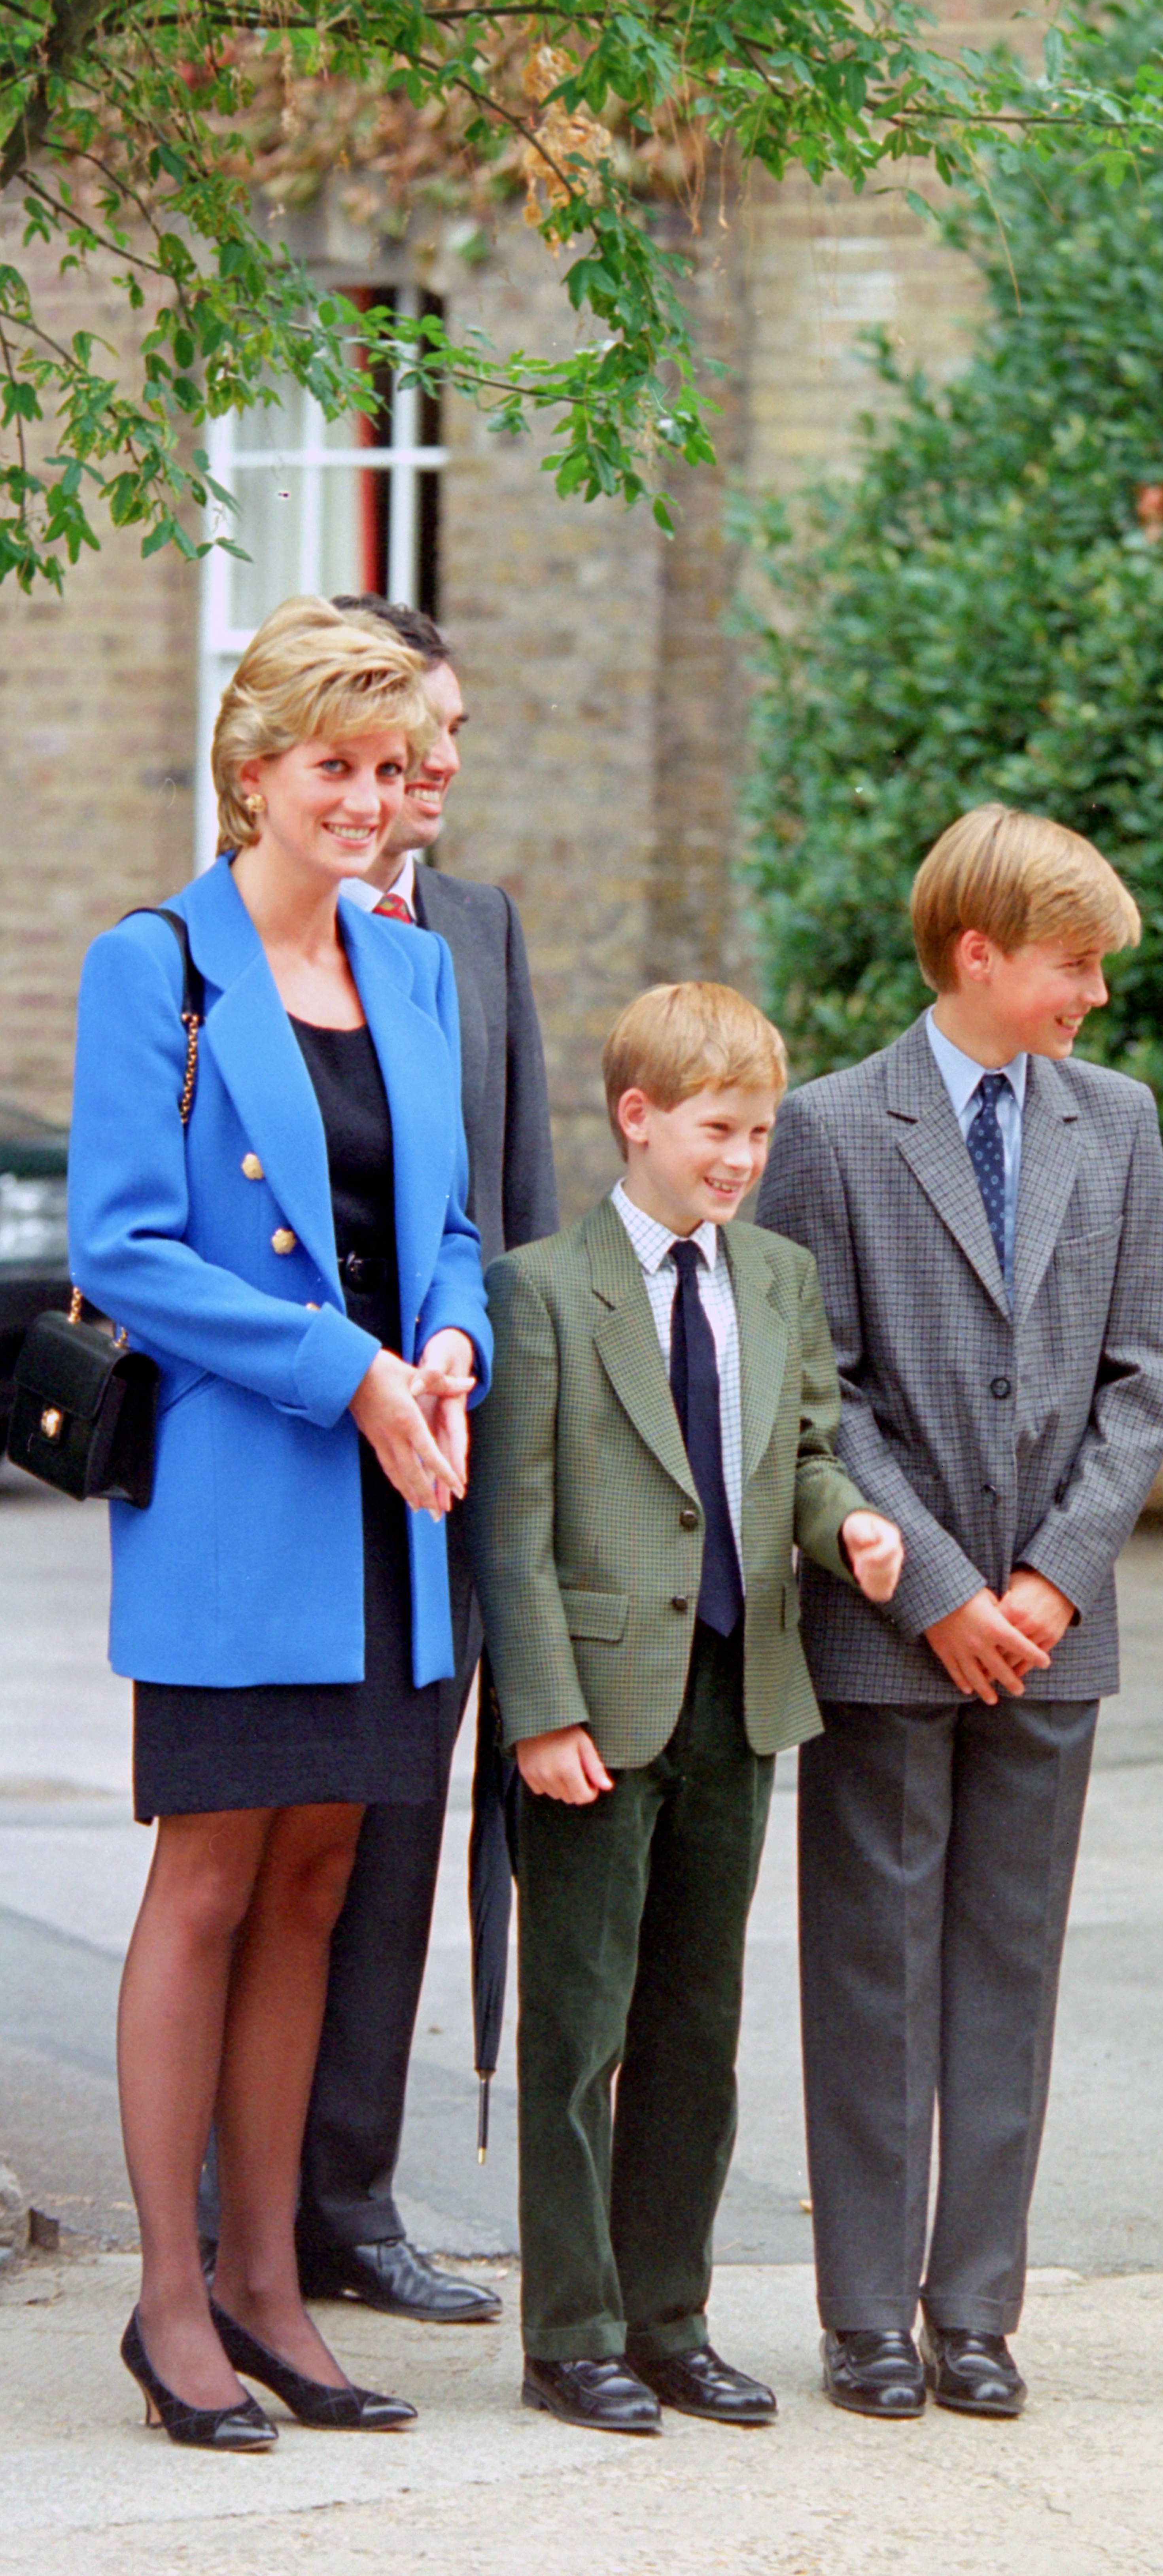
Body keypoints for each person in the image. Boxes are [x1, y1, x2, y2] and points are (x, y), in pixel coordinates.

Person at [68, 597, 493, 2447]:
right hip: (252, 1496)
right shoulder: (146, 963)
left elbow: (455, 1229)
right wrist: (352, 1374)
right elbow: (124, 1250)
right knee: (214, 1880)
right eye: (335, 765)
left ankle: (268, 2289)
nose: (370, 800)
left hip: (400, 1505)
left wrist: (456, 1341)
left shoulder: (417, 973)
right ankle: (171, 2301)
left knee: (321, 1886)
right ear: (256, 775)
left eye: (391, 772)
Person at [755, 806, 1163, 2422]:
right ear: (978, 953)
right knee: (873, 1972)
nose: (1092, 997)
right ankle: (866, 2313)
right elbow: (821, 1388)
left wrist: (1050, 1581)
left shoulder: (1117, 1122)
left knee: (1008, 1970)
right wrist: (942, 1589)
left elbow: (1146, 1373)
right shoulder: (831, 1128)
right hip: (886, 1623)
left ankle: (976, 2310)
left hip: (1051, 1625)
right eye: (1074, 967)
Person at [466, 983, 906, 2436]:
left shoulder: (775, 1277)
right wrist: (539, 1709)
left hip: (740, 1690)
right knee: (580, 2028)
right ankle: (572, 2329)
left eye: (763, 1133)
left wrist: (847, 1528)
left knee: (695, 2030)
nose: (742, 1159)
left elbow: (809, 1450)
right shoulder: (542, 1288)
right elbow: (514, 1522)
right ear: (639, 1118)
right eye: (720, 1129)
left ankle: (672, 2318)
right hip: (595, 1706)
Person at [277, 593, 557, 2324]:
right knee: (257, 1848)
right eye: (402, 738)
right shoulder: (205, 943)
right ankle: (233, 2207)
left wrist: (505, 1437)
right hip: (287, 1456)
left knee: (392, 1846)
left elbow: (507, 1215)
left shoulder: (477, 929)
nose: (433, 769)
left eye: (440, 741)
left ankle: (347, 2202)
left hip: (441, 1470)